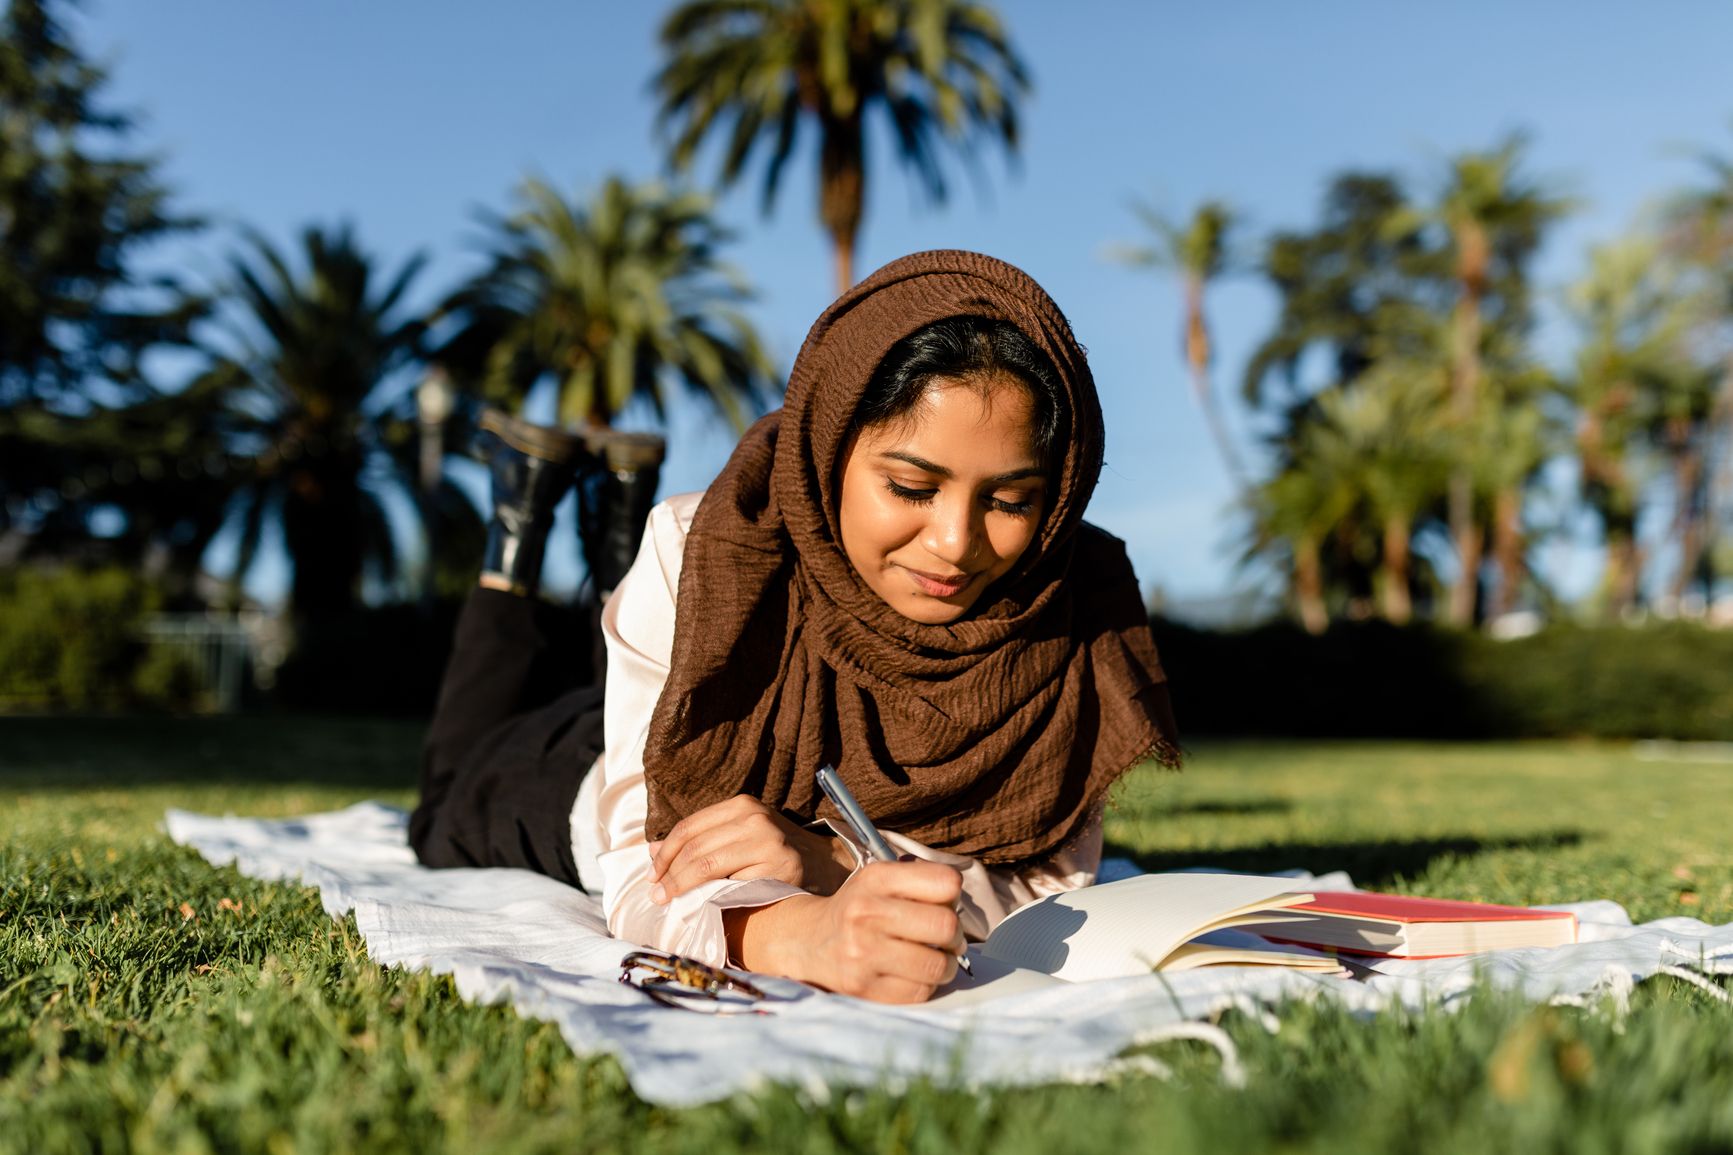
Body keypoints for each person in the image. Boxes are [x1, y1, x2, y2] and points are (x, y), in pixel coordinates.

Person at [411, 250, 1179, 1005]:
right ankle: (518, 523)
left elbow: (1046, 886)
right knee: (444, 799)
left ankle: (608, 524)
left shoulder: (1072, 609)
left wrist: (830, 856)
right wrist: (808, 934)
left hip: (677, 727)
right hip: (591, 778)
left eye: (1010, 500)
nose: (955, 542)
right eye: (911, 486)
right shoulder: (706, 549)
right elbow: (642, 867)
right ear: (830, 445)